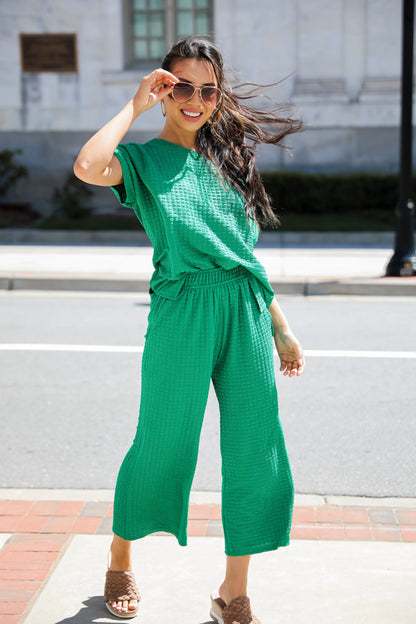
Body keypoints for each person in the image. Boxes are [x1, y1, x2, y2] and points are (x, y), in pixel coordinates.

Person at [74, 36, 305, 624]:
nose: (195, 99)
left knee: (256, 446)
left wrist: (280, 326)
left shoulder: (232, 159)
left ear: (217, 94)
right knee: (164, 440)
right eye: (181, 86)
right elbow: (88, 166)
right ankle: (121, 555)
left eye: (207, 88)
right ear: (164, 88)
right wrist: (134, 106)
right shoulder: (146, 161)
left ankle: (233, 591)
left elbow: (245, 255)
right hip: (182, 310)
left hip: (246, 310)